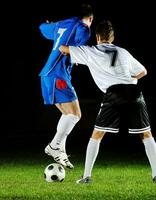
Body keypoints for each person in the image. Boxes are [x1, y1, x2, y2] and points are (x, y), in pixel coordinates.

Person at [59, 20, 156, 183]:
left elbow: (63, 49)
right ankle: (155, 174)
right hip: (134, 93)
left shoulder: (90, 51)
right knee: (146, 134)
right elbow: (143, 71)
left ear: (97, 37)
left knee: (97, 135)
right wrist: (130, 79)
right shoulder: (123, 51)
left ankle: (87, 176)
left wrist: (62, 33)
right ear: (112, 37)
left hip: (114, 93)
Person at [38, 4, 93, 169]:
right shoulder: (84, 27)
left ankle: (60, 152)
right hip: (58, 74)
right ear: (90, 18)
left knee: (67, 116)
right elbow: (79, 47)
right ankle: (54, 146)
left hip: (47, 75)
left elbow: (43, 28)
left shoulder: (62, 23)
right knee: (75, 115)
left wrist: (48, 23)